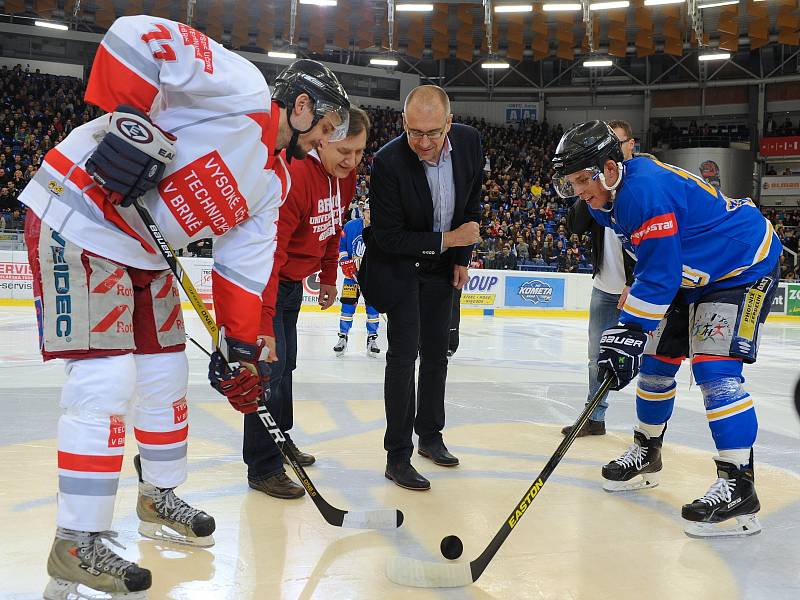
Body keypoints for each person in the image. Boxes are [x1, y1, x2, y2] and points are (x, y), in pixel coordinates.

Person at [18, 15, 349, 598]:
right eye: (325, 126)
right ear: (300, 106)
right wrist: (130, 125)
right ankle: (76, 540)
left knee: (169, 369)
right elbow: (135, 33)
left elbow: (243, 274)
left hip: (143, 251)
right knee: (106, 378)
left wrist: (241, 353)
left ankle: (157, 494)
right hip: (78, 215)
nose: (327, 142)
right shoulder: (242, 86)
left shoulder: (272, 184)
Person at [552, 120, 781, 538]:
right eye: (571, 183)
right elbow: (651, 260)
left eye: (583, 179)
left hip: (743, 266)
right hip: (686, 273)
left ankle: (739, 484)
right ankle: (647, 451)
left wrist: (629, 330)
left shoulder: (644, 189)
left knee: (716, 369)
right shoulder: (606, 200)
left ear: (609, 167)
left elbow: (659, 273)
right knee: (656, 362)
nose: (579, 191)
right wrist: (633, 318)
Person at [359, 85, 482, 491]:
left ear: (449, 123)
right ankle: (398, 456)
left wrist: (461, 257)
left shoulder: (469, 143)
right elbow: (390, 237)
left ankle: (430, 436)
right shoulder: (389, 161)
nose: (424, 143)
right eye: (415, 133)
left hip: (443, 269)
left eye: (432, 132)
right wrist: (451, 241)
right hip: (402, 268)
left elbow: (470, 202)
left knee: (437, 354)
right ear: (403, 124)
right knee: (402, 357)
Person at [244, 107, 369, 500]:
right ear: (324, 138)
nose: (351, 162)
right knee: (269, 370)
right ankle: (263, 467)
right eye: (344, 151)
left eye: (360, 152)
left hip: (294, 285)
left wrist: (329, 277)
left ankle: (281, 441)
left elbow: (334, 229)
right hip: (267, 282)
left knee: (287, 367)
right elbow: (271, 252)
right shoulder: (296, 177)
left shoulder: (343, 178)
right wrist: (263, 321)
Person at [561, 119, 637, 438]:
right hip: (605, 288)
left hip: (637, 290)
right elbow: (574, 225)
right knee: (596, 357)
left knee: (653, 362)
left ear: (629, 147)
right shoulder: (596, 194)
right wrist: (587, 186)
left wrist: (635, 284)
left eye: (618, 145)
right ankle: (594, 416)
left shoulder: (638, 190)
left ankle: (651, 431)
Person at [334, 200, 381, 357]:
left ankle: (372, 339)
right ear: (363, 211)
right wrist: (345, 262)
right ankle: (342, 338)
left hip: (373, 279)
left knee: (373, 309)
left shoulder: (383, 229)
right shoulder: (351, 226)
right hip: (351, 277)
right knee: (347, 307)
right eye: (368, 211)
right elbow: (341, 247)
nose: (370, 215)